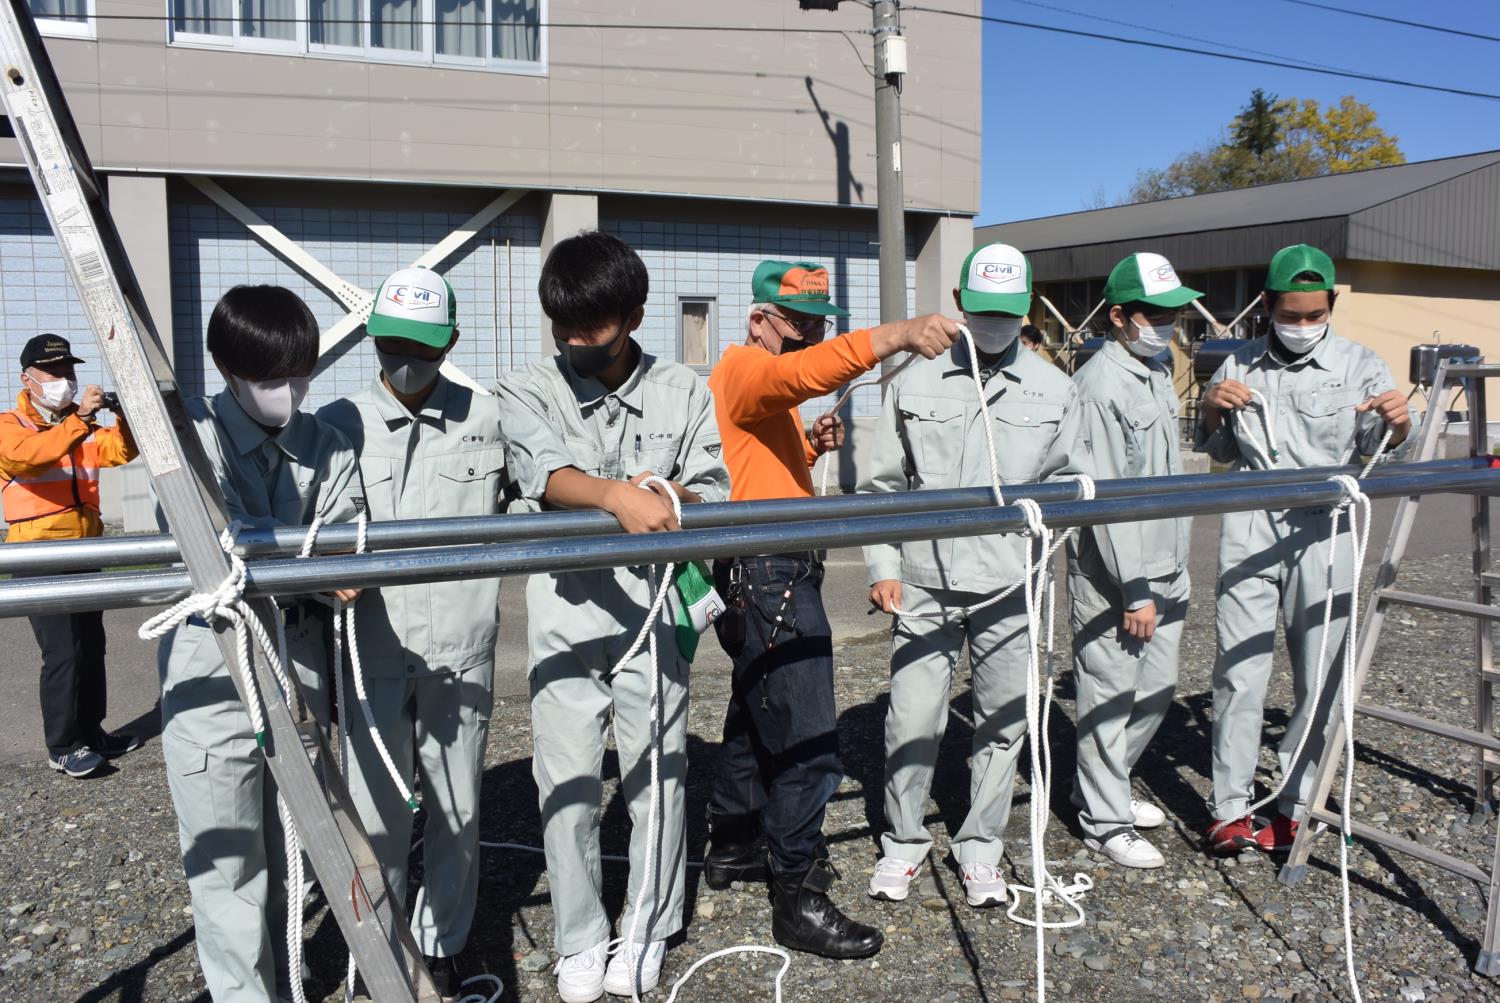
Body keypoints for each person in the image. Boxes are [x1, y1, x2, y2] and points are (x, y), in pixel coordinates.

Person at [318, 267, 574, 996]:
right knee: (374, 817)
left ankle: (444, 945)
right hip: (370, 650)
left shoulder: (489, 417)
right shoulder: (337, 423)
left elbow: (545, 483)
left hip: (461, 652)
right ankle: (379, 951)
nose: (405, 361)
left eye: (421, 348)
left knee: (457, 810)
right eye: (391, 344)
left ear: (451, 342)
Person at [704, 257, 959, 960]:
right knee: (811, 736)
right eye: (799, 325)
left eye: (819, 325)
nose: (811, 337)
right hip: (771, 574)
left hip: (760, 569)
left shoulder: (762, 385)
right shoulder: (746, 369)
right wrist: (899, 333)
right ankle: (798, 894)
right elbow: (805, 375)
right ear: (759, 320)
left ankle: (733, 844)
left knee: (754, 713)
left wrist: (808, 451)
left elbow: (758, 467)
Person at [498, 231, 728, 1003]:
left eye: (590, 327)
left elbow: (715, 488)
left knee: (657, 778)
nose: (573, 341)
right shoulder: (529, 387)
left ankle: (649, 925)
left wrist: (670, 493)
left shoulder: (683, 391)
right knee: (564, 782)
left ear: (633, 315)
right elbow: (540, 470)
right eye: (561, 325)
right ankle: (580, 935)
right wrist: (613, 494)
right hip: (564, 614)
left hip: (653, 612)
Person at [156, 286, 363, 1002]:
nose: (289, 392)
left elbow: (347, 537)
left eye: (301, 375)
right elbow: (216, 539)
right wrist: (313, 564)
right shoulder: (190, 438)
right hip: (213, 675)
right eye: (272, 378)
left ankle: (283, 973)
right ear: (228, 368)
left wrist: (319, 564)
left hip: (298, 672)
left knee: (290, 845)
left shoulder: (326, 442)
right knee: (228, 864)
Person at [859, 243, 1081, 905]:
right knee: (911, 718)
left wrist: (1044, 541)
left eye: (1007, 313)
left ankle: (981, 846)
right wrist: (883, 565)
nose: (993, 324)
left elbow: (1072, 486)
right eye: (982, 311)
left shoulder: (1055, 389)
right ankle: (902, 842)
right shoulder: (914, 380)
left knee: (1003, 722)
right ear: (959, 302)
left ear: (1027, 308)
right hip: (923, 580)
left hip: (1010, 582)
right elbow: (881, 485)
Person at [1196, 244, 1410, 855]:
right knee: (1239, 672)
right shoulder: (1238, 363)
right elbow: (1219, 451)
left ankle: (1298, 802)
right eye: (1291, 315)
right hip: (1251, 525)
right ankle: (1231, 808)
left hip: (1325, 530)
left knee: (1320, 674)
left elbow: (1378, 447)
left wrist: (1398, 422)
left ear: (1332, 304)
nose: (1303, 325)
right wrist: (1210, 409)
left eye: (1316, 314)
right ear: (1267, 305)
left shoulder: (1361, 365)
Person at [1066, 252, 1198, 869]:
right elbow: (1106, 498)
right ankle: (1103, 820)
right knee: (1110, 695)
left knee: (1156, 691)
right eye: (1155, 314)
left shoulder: (1154, 371)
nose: (1166, 325)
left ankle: (1102, 787)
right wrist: (1134, 589)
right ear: (1118, 316)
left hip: (1167, 562)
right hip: (1119, 576)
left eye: (1173, 314)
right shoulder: (1100, 386)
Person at [0, 334, 140, 777]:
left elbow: (121, 451)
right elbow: (28, 459)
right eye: (53, 372)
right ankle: (62, 745)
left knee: (91, 648)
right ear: (26, 379)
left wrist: (124, 414)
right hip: (37, 555)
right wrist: (80, 418)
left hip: (84, 548)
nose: (65, 379)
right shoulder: (10, 425)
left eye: (69, 371)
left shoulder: (80, 425)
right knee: (63, 653)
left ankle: (91, 732)